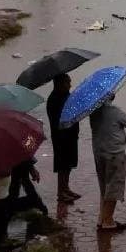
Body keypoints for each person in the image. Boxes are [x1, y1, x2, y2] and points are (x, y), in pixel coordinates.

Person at [90, 93, 126, 233]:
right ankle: (108, 221)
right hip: (114, 154)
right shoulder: (114, 111)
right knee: (114, 187)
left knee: (104, 187)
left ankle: (102, 218)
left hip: (99, 153)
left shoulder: (93, 112)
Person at [48, 73, 81, 204]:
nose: (70, 85)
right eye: (68, 82)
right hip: (61, 137)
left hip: (71, 136)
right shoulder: (54, 99)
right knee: (62, 165)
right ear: (60, 84)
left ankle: (66, 188)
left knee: (68, 165)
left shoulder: (65, 96)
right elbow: (60, 119)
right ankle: (61, 192)